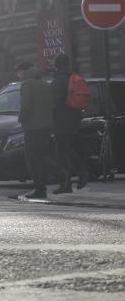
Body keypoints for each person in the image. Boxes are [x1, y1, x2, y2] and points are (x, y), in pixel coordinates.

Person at [51, 53, 89, 193]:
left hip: (61, 120)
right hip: (74, 118)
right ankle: (74, 178)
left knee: (62, 152)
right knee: (67, 149)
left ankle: (72, 180)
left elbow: (53, 102)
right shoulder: (73, 76)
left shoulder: (58, 80)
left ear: (57, 65)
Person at [18, 64, 54, 199]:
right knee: (42, 156)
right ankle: (44, 185)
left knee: (33, 159)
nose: (19, 76)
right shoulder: (45, 84)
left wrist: (21, 119)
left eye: (19, 73)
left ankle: (40, 189)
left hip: (33, 127)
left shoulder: (27, 84)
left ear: (23, 72)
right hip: (47, 126)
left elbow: (26, 106)